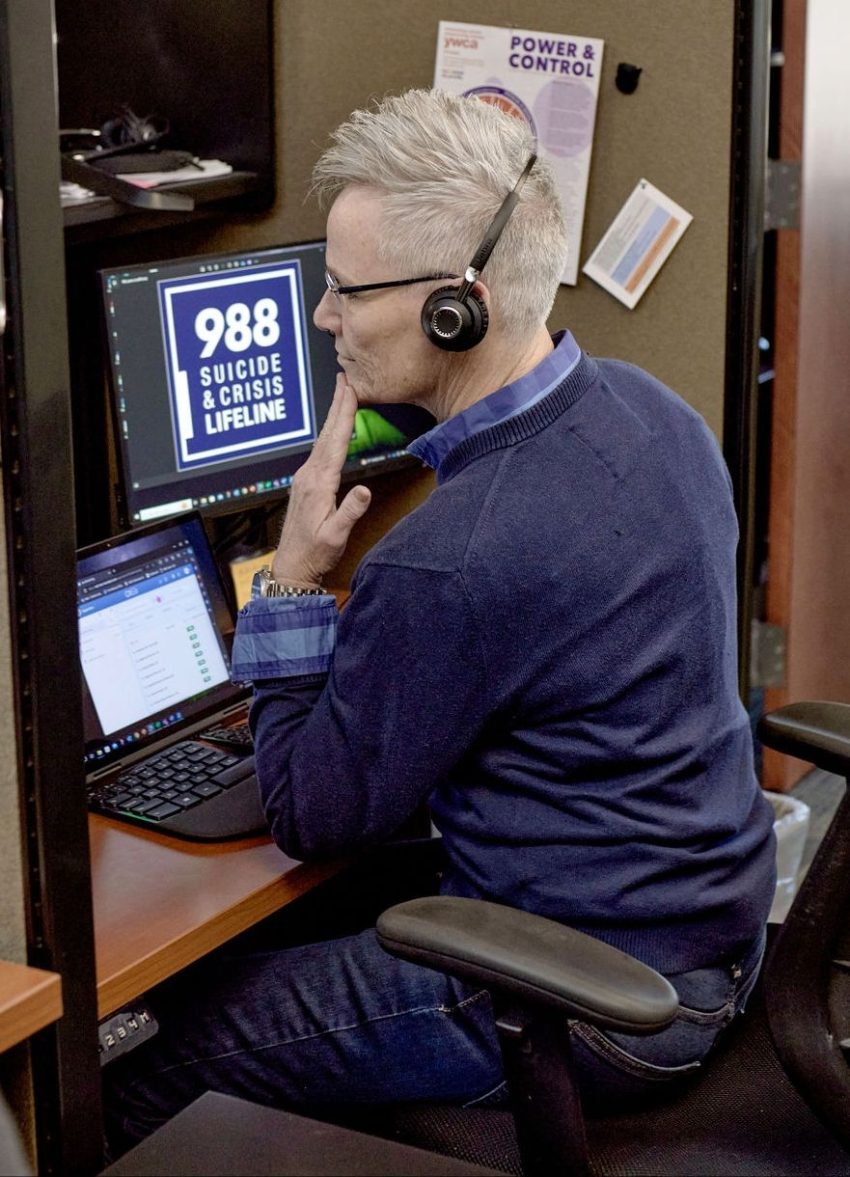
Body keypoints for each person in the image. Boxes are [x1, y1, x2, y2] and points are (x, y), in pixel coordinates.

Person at [103, 88, 776, 1152]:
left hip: (585, 1001)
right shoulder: (657, 412)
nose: (321, 318)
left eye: (341, 291)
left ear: (452, 308)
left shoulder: (452, 556)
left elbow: (310, 813)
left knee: (145, 1055)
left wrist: (292, 581)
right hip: (715, 945)